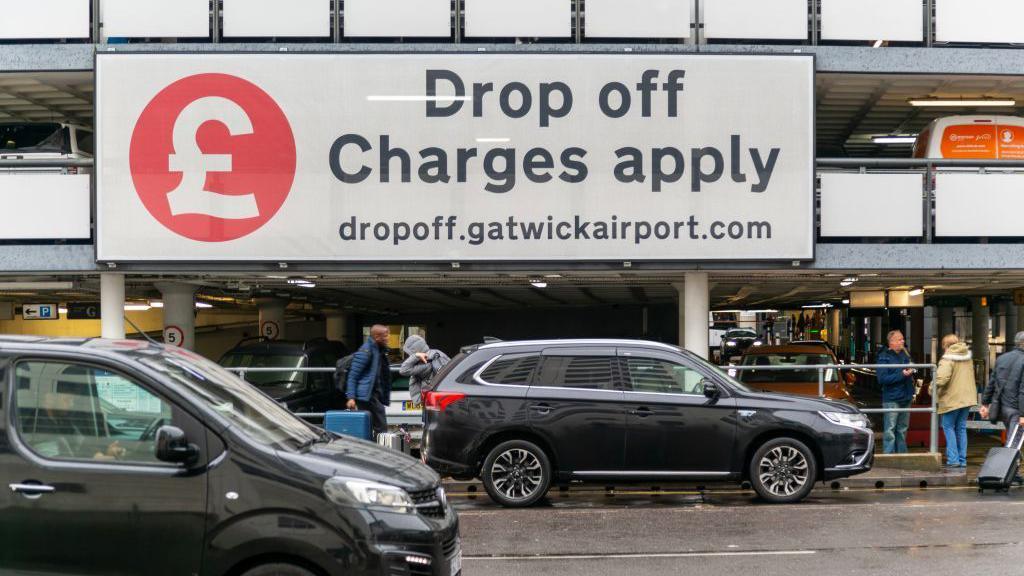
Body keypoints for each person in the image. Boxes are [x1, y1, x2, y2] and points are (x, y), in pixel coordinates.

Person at [933, 334, 976, 470]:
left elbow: (941, 378)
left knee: (948, 427)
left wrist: (930, 388)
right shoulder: (967, 357)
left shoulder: (948, 358)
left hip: (952, 398)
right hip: (967, 398)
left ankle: (953, 459)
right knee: (961, 428)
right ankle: (962, 460)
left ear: (946, 346)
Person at [345, 325, 393, 437]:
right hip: (365, 396)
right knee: (379, 426)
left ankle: (375, 447)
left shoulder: (379, 350)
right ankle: (377, 449)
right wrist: (351, 397)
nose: (388, 338)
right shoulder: (366, 351)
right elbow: (353, 375)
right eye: (385, 336)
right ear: (377, 337)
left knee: (375, 425)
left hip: (373, 395)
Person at [877, 330, 915, 454]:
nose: (903, 341)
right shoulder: (884, 357)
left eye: (903, 339)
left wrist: (911, 370)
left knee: (902, 429)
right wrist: (902, 374)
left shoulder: (905, 355)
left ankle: (902, 454)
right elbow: (882, 379)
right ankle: (888, 455)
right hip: (892, 398)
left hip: (906, 396)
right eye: (899, 339)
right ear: (891, 342)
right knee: (890, 429)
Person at [980, 330, 1024, 437]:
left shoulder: (1002, 358)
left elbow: (992, 382)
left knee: (1013, 439)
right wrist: (1023, 415)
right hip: (1017, 409)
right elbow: (1023, 390)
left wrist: (985, 404)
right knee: (1014, 442)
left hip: (1003, 407)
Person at [399, 334, 450, 405]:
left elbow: (403, 370)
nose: (409, 355)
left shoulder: (424, 361)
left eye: (409, 352)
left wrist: (416, 355)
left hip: (427, 399)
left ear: (415, 350)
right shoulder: (437, 353)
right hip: (441, 395)